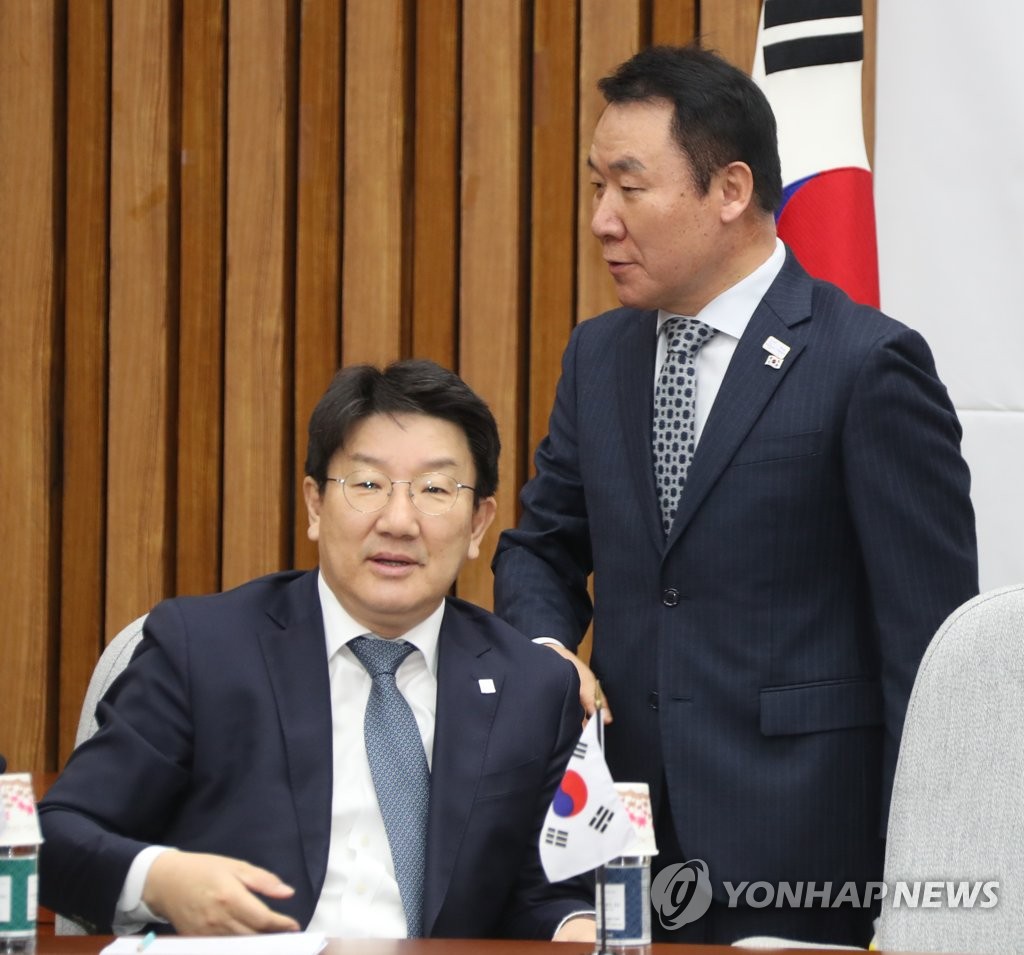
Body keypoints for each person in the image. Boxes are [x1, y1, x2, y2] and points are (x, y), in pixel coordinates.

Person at [493, 44, 979, 946]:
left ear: (729, 189)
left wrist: (919, 879)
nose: (601, 219)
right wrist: (547, 649)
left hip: (807, 855)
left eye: (629, 187)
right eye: (596, 187)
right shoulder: (598, 357)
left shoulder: (866, 364)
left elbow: (930, 654)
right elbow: (542, 546)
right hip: (625, 848)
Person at [39, 359, 594, 941]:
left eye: (435, 490)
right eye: (368, 485)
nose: (399, 521)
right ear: (315, 504)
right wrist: (161, 880)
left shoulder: (532, 686)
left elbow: (546, 894)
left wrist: (573, 926)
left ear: (478, 523)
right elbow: (57, 833)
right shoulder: (203, 649)